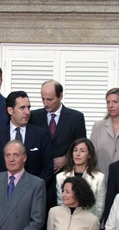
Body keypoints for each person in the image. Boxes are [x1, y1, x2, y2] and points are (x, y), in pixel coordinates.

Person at [29, 80, 86, 208]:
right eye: (43, 99)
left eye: (49, 99)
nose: (45, 103)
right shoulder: (34, 117)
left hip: (65, 177)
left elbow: (81, 146)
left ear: (60, 96)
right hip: (40, 178)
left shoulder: (75, 117)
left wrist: (66, 159)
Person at [0, 91, 53, 183]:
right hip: (3, 189)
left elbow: (48, 168)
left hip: (33, 189)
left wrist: (34, 187)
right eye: (22, 108)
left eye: (28, 107)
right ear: (10, 110)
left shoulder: (41, 135)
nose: (27, 112)